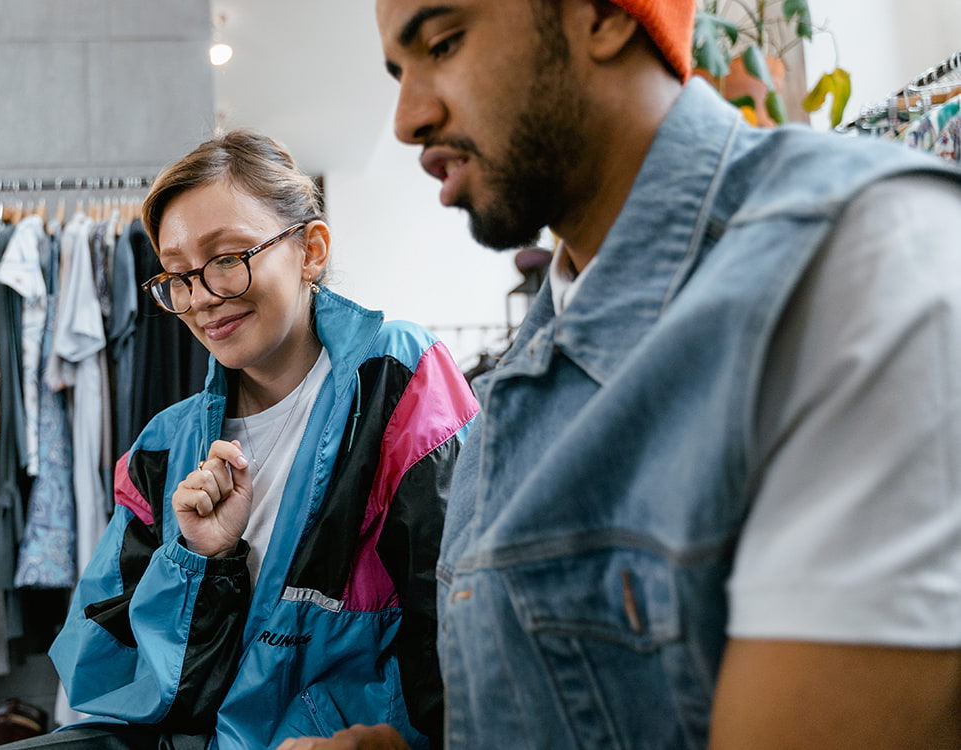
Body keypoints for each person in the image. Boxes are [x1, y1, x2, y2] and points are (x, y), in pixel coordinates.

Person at [284, 0, 961, 747]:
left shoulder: (849, 264)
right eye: (397, 70)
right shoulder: (519, 382)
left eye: (443, 43)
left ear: (602, 16)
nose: (407, 119)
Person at [15, 130, 477, 750]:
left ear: (310, 250)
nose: (202, 298)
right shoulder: (164, 448)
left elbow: (459, 632)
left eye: (227, 258)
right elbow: (101, 675)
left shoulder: (397, 379)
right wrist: (203, 562)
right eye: (177, 277)